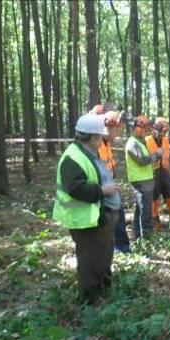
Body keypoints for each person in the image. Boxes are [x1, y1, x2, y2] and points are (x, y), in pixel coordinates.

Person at [53, 113, 121, 305]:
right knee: (90, 262)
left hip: (96, 217)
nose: (102, 141)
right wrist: (102, 191)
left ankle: (103, 292)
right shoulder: (73, 158)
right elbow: (75, 187)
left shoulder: (86, 153)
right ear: (92, 138)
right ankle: (90, 302)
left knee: (102, 256)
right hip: (84, 219)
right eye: (100, 137)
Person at [96, 108, 131, 254]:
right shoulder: (97, 144)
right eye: (117, 130)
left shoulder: (107, 143)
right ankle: (118, 249)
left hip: (110, 185)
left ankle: (121, 249)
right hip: (102, 189)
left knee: (119, 218)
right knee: (113, 219)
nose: (118, 134)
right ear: (108, 127)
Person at [146, 117, 170, 233]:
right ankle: (155, 231)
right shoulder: (146, 141)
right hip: (152, 176)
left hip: (166, 175)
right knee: (154, 204)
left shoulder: (167, 141)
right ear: (155, 129)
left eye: (166, 132)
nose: (164, 134)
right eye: (163, 131)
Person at [125, 115, 162, 239]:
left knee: (140, 211)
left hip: (145, 181)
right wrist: (157, 154)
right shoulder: (132, 143)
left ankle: (138, 237)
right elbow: (143, 160)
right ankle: (147, 241)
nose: (144, 131)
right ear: (134, 128)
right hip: (140, 183)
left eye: (145, 128)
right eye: (141, 128)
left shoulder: (140, 143)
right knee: (146, 213)